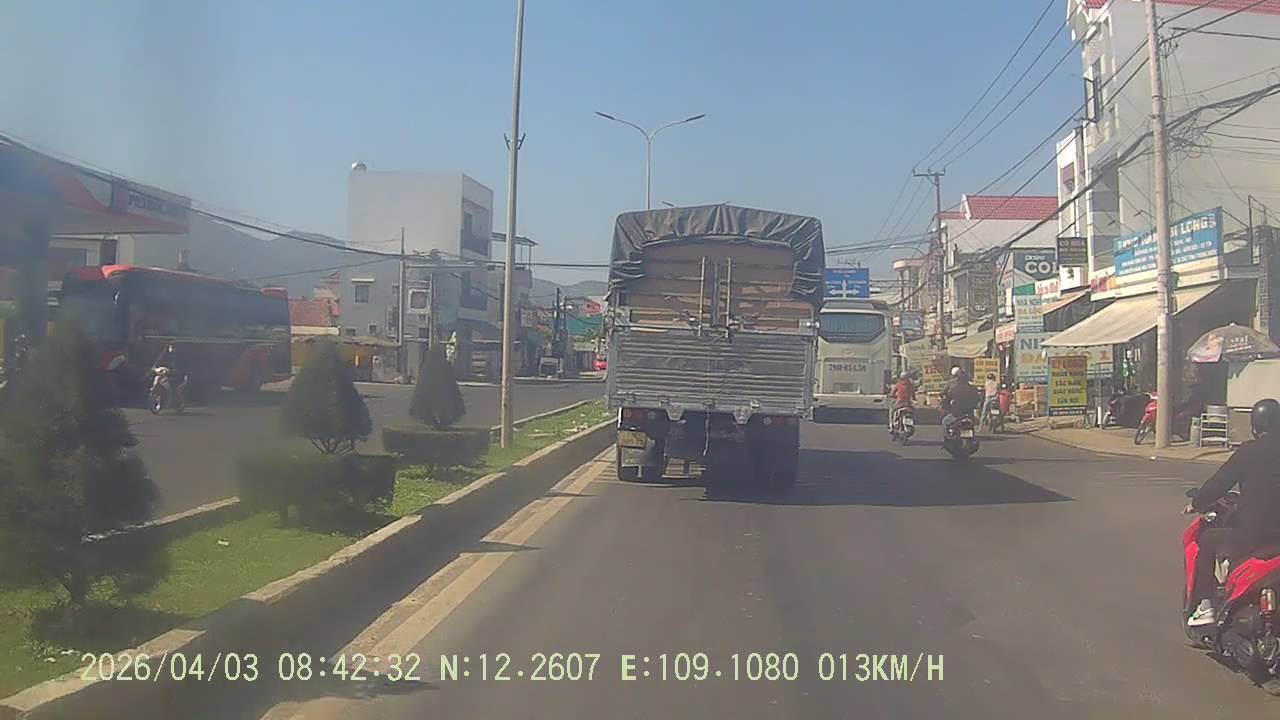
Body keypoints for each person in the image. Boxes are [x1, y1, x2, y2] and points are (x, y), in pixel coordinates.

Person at [1183, 398, 1280, 628]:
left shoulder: (1249, 451)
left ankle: (1205, 606)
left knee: (1206, 540)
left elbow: (1219, 483)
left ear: (1255, 426)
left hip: (1255, 537)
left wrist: (1197, 503)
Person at [941, 368, 981, 435]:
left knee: (945, 421)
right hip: (969, 414)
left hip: (957, 414)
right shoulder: (973, 388)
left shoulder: (954, 389)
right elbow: (977, 399)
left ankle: (947, 437)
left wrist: (945, 405)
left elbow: (946, 398)